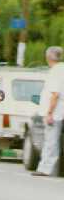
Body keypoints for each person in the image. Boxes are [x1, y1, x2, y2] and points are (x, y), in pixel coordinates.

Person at [32, 46, 64, 177]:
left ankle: (46, 168)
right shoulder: (60, 69)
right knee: (51, 140)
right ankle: (46, 167)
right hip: (57, 111)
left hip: (55, 112)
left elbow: (55, 94)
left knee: (51, 141)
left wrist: (50, 112)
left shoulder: (56, 71)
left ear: (49, 57)